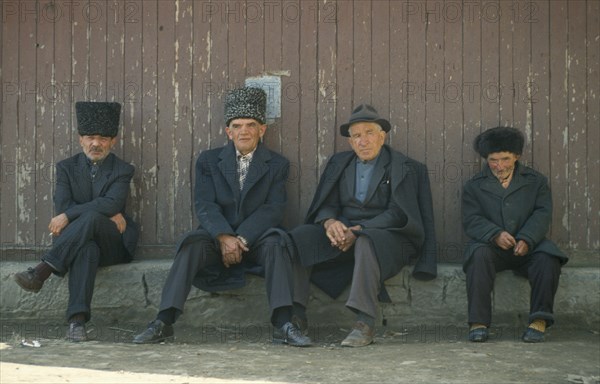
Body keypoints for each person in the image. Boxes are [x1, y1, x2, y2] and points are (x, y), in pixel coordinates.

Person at [133, 87, 311, 347]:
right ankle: (163, 321)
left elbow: (272, 209)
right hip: (218, 238)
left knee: (277, 242)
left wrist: (241, 238)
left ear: (263, 130)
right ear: (229, 132)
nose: (244, 131)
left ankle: (283, 324)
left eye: (251, 125)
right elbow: (204, 203)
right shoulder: (208, 161)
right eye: (237, 125)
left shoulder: (277, 164)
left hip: (257, 240)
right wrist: (224, 236)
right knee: (191, 243)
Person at [287, 104, 437, 347]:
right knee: (299, 236)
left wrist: (359, 230)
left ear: (382, 136)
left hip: (388, 237)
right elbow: (326, 204)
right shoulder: (339, 163)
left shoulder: (404, 167)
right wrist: (330, 222)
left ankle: (364, 322)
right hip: (343, 231)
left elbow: (399, 213)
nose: (363, 141)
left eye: (369, 133)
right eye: (356, 135)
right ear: (350, 141)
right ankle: (297, 315)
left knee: (367, 241)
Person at [13, 101, 138, 342]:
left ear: (114, 141)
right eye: (90, 137)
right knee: (87, 249)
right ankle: (76, 323)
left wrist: (74, 214)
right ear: (80, 139)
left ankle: (42, 270)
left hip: (114, 242)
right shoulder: (66, 168)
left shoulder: (123, 169)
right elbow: (64, 205)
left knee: (91, 217)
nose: (96, 144)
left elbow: (110, 203)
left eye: (103, 138)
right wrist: (101, 208)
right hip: (81, 244)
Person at [462, 127, 567, 343]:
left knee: (548, 259)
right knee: (478, 256)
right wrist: (494, 234)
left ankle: (539, 320)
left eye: (505, 159)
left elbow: (542, 213)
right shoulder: (474, 186)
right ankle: (478, 322)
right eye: (493, 160)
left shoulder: (536, 181)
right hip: (492, 247)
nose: (499, 166)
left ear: (517, 156)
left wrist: (527, 238)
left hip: (529, 246)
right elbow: (471, 219)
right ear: (486, 158)